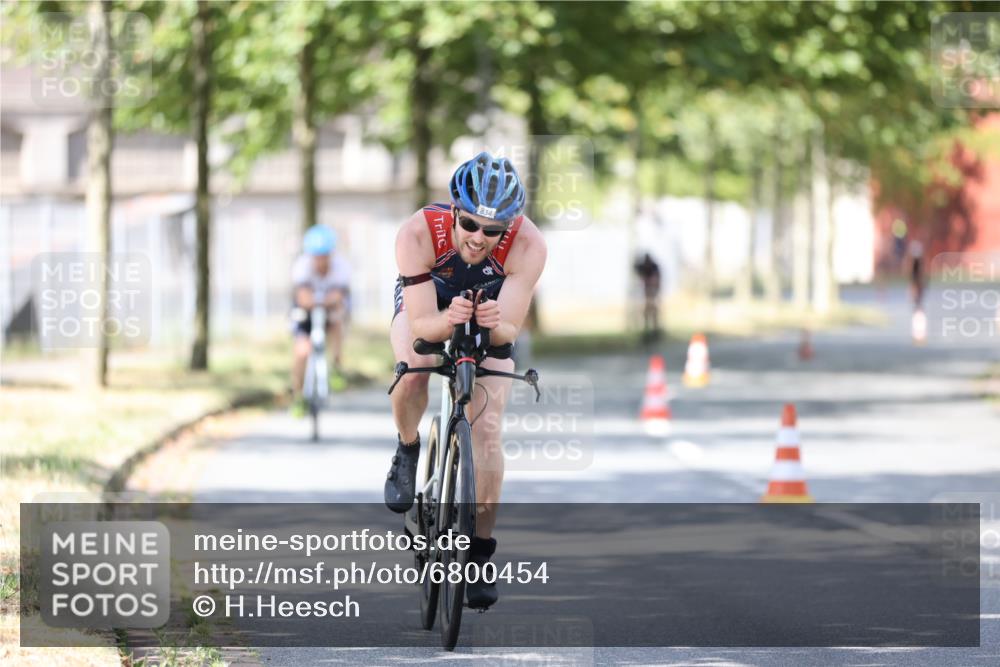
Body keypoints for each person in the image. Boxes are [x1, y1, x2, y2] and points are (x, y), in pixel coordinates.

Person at [384, 152, 547, 609]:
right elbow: (421, 326)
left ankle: (478, 552)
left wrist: (493, 325)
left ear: (508, 228)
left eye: (492, 231)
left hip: (491, 304)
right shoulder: (417, 233)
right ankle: (407, 446)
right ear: (455, 212)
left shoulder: (529, 245)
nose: (479, 238)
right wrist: (446, 321)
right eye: (471, 225)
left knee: (489, 427)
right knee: (413, 373)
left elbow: (509, 330)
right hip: (431, 297)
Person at [290, 224, 351, 416]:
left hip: (329, 312)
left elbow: (339, 297)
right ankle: (298, 395)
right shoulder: (301, 266)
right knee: (301, 350)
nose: (320, 261)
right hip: (305, 313)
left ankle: (337, 366)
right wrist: (325, 300)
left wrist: (323, 301)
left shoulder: (341, 267)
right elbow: (302, 298)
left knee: (337, 324)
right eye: (316, 256)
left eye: (324, 256)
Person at [634, 252, 662, 342]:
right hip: (647, 291)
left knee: (653, 311)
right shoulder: (643, 267)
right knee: (647, 311)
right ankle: (647, 329)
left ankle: (654, 330)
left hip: (653, 291)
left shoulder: (654, 267)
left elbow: (656, 279)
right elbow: (636, 269)